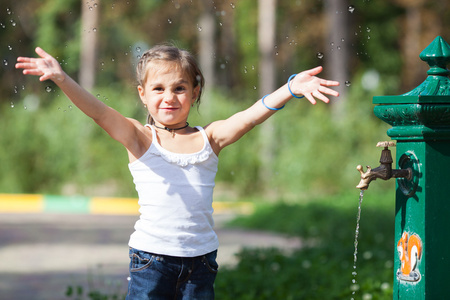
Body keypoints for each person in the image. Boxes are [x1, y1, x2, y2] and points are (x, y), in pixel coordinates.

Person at [15, 45, 339, 299]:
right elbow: (98, 111)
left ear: (195, 92)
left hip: (201, 264)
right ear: (142, 94)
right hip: (151, 263)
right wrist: (61, 78)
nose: (169, 97)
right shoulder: (140, 138)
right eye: (158, 89)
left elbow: (250, 116)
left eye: (179, 88)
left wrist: (291, 87)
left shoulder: (210, 138)